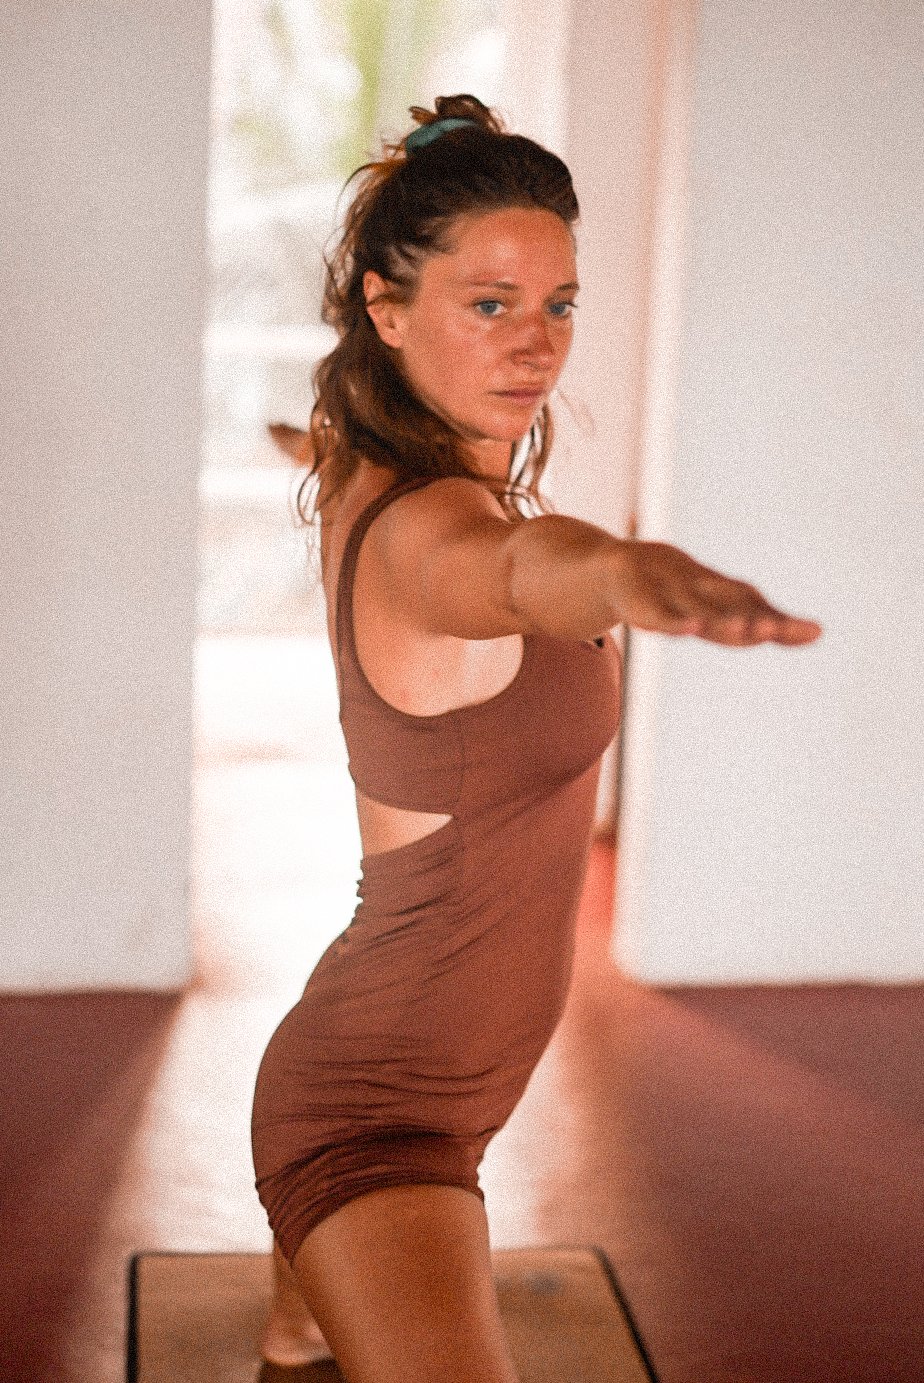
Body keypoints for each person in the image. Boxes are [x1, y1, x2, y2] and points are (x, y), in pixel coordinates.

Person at [250, 93, 822, 1383]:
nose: (536, 343)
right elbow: (521, 570)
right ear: (388, 310)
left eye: (559, 303)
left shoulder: (367, 462)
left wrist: (313, 441)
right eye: (490, 303)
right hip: (380, 1115)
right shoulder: (431, 534)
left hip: (427, 1066)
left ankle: (294, 1323)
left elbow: (362, 456)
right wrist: (629, 570)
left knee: (305, 1342)